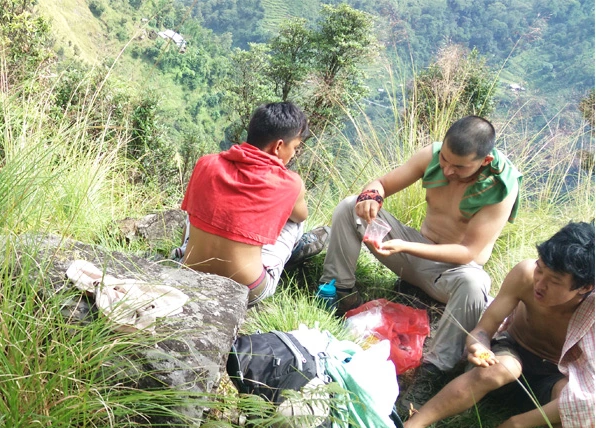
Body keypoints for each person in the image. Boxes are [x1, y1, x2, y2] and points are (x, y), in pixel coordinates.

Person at [319, 116, 521, 409]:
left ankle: (432, 371)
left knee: (476, 282)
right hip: (410, 254)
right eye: (445, 160)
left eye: (459, 167)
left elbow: (468, 252)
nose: (448, 170)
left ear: (484, 160)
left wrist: (405, 246)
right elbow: (382, 183)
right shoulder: (433, 155)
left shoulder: (501, 188)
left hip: (451, 274)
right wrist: (371, 196)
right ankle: (339, 293)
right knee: (351, 206)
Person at [401, 221, 594, 428]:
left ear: (584, 288)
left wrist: (517, 424)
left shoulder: (592, 312)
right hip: (511, 352)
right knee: (504, 368)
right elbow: (485, 327)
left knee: (573, 410)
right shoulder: (525, 275)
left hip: (556, 376)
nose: (540, 284)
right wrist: (478, 346)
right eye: (540, 269)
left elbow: (587, 399)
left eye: (554, 281)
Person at [175, 102, 326, 306]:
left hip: (189, 273)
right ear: (278, 146)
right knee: (294, 222)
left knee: (198, 205)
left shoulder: (206, 163)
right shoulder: (290, 183)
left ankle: (185, 250)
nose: (293, 154)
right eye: (295, 148)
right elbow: (302, 215)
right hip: (247, 289)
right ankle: (292, 253)